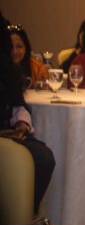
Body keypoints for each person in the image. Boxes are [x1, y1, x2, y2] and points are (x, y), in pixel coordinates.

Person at [0, 22, 55, 213]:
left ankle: (25, 215)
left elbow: (19, 103)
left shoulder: (9, 70)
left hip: (9, 130)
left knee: (44, 157)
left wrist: (22, 124)